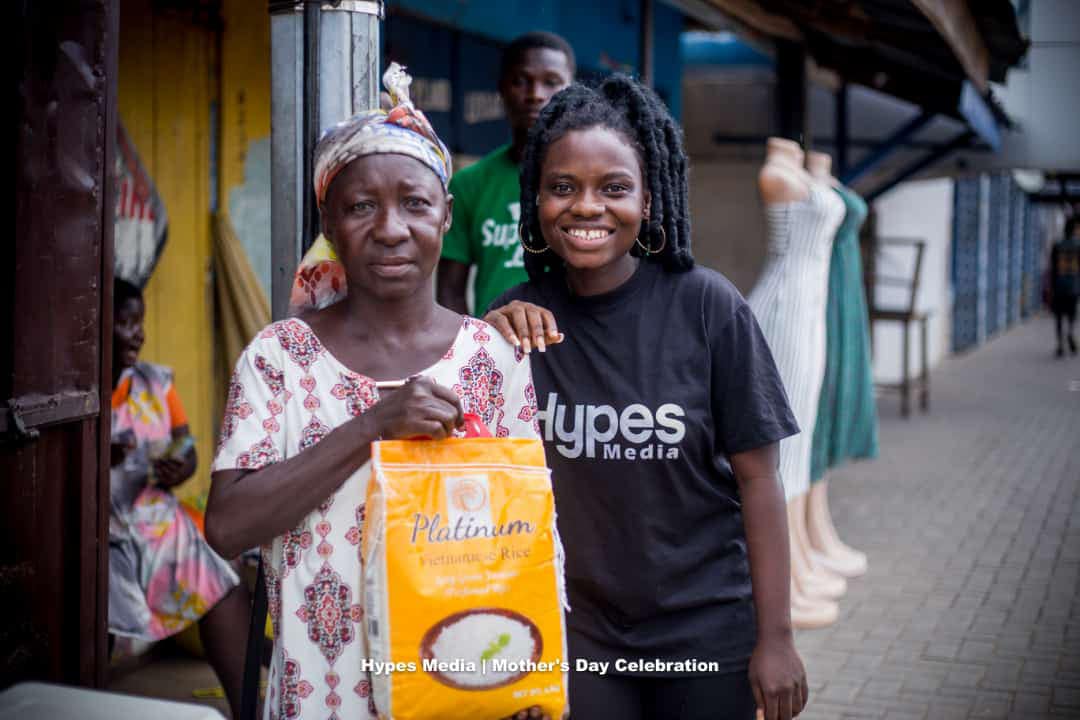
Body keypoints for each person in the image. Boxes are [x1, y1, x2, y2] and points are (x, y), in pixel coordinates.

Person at [205, 66, 544, 720]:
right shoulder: (279, 358)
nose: (391, 228)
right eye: (362, 206)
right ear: (329, 223)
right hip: (320, 692)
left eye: (415, 203)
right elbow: (226, 526)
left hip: (463, 684)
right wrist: (374, 426)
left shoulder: (491, 357)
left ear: (446, 215)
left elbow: (525, 532)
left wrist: (532, 662)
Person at [484, 76, 808, 720]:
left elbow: (761, 482)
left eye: (614, 188)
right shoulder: (513, 322)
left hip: (704, 631)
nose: (586, 207)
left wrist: (777, 639)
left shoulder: (708, 307)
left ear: (649, 198)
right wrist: (480, 349)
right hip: (578, 633)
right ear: (536, 199)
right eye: (562, 187)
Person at [109, 278, 249, 717]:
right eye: (125, 322)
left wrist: (181, 465)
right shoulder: (82, 395)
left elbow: (185, 447)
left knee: (222, 586)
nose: (138, 333)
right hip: (102, 530)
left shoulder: (155, 383)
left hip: (156, 522)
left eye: (140, 322)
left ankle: (250, 710)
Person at [437, 31, 575, 316]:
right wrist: (472, 350)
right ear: (502, 89)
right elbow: (449, 291)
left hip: (575, 347)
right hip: (497, 349)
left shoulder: (590, 182)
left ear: (571, 89)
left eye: (551, 82)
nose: (536, 94)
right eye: (521, 81)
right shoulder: (468, 184)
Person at [1049, 216, 1079, 357]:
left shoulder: (1057, 245)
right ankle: (1070, 332)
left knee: (1059, 316)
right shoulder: (1078, 246)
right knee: (1071, 314)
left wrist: (1051, 286)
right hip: (1073, 285)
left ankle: (1060, 344)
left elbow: (1053, 268)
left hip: (1059, 286)